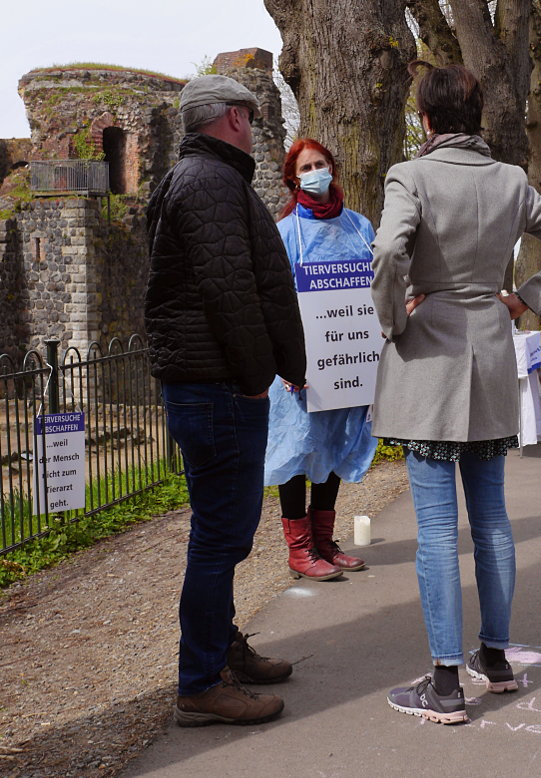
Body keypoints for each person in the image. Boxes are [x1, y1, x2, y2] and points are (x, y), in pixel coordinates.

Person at [370, 62, 541, 725]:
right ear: (475, 120)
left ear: (426, 120)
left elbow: (388, 252)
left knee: (439, 530)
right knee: (493, 519)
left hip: (430, 360)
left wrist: (394, 321)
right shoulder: (510, 180)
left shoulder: (409, 176)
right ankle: (493, 659)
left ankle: (444, 684)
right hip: (492, 356)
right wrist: (526, 298)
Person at [145, 75, 307, 727]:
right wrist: (253, 376)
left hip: (212, 382)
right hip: (217, 386)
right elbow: (231, 292)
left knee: (224, 534)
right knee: (220, 536)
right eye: (251, 112)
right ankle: (200, 680)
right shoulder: (209, 183)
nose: (253, 122)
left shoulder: (203, 177)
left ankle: (219, 649)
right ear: (234, 119)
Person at [265, 139, 378, 581]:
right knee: (296, 451)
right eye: (306, 167)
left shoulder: (359, 227)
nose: (315, 172)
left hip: (346, 362)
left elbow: (374, 291)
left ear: (333, 167)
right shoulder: (285, 233)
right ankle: (299, 550)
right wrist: (287, 361)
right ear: (294, 177)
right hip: (301, 367)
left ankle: (324, 542)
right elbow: (275, 301)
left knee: (333, 447)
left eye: (321, 163)